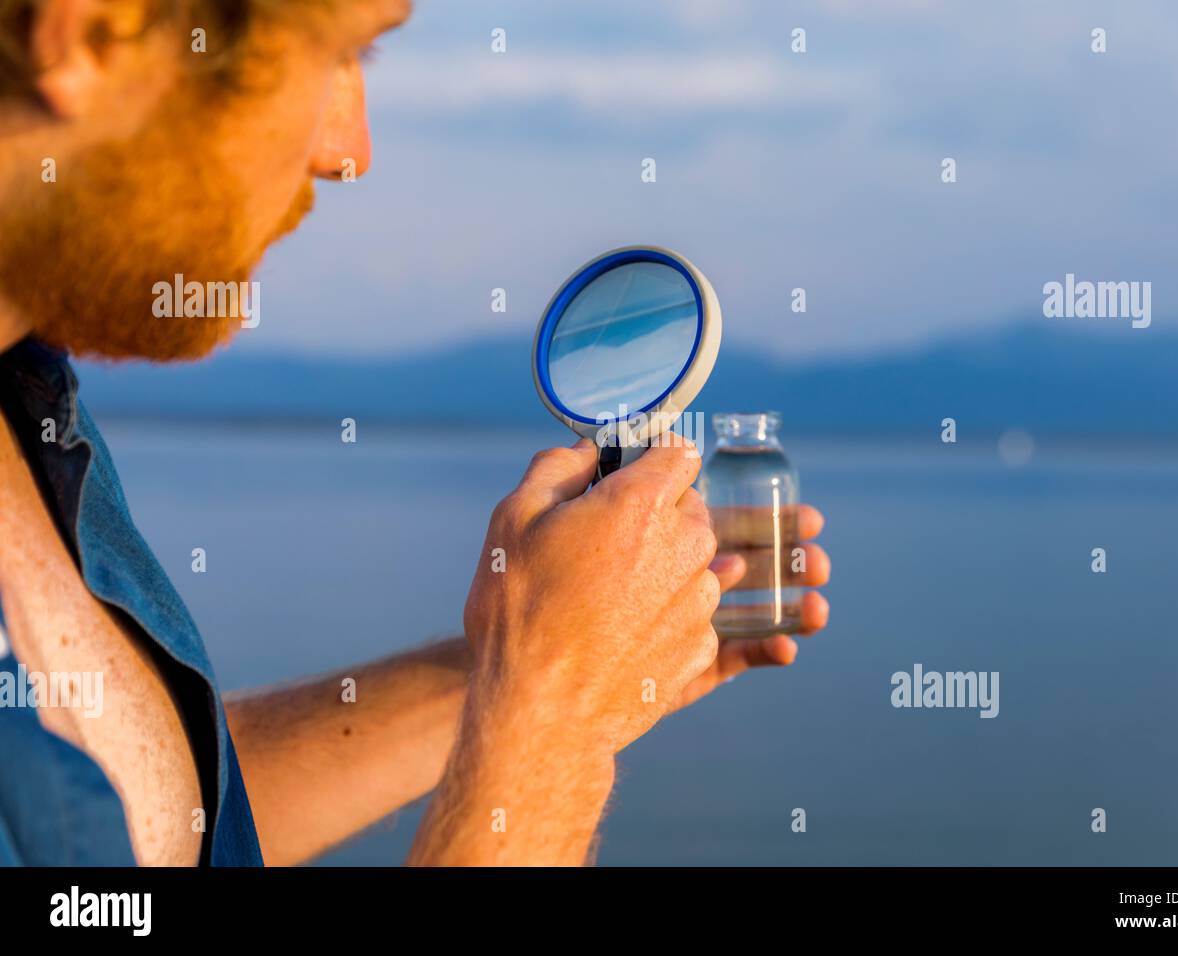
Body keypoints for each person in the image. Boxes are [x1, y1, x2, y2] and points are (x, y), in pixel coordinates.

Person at [0, 0, 831, 866]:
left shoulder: (33, 406)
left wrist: (529, 658)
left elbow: (140, 821)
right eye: (339, 57)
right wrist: (552, 717)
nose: (351, 152)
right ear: (92, 30)